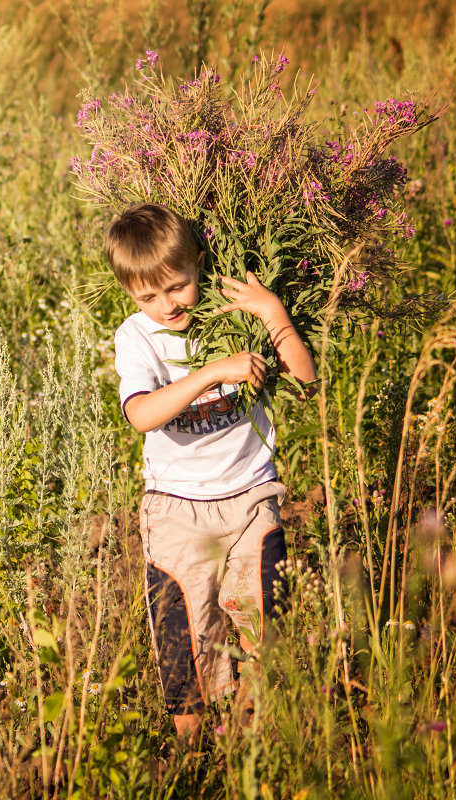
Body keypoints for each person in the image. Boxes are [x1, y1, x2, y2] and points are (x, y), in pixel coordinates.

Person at [108, 202, 316, 744]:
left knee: (266, 627)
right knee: (185, 645)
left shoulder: (233, 313)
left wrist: (271, 310)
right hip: (175, 510)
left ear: (199, 263)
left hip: (250, 497)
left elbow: (305, 376)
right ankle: (191, 759)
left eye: (177, 286)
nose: (166, 305)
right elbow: (141, 414)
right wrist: (212, 373)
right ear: (130, 294)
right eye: (147, 297)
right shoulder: (137, 337)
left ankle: (269, 746)